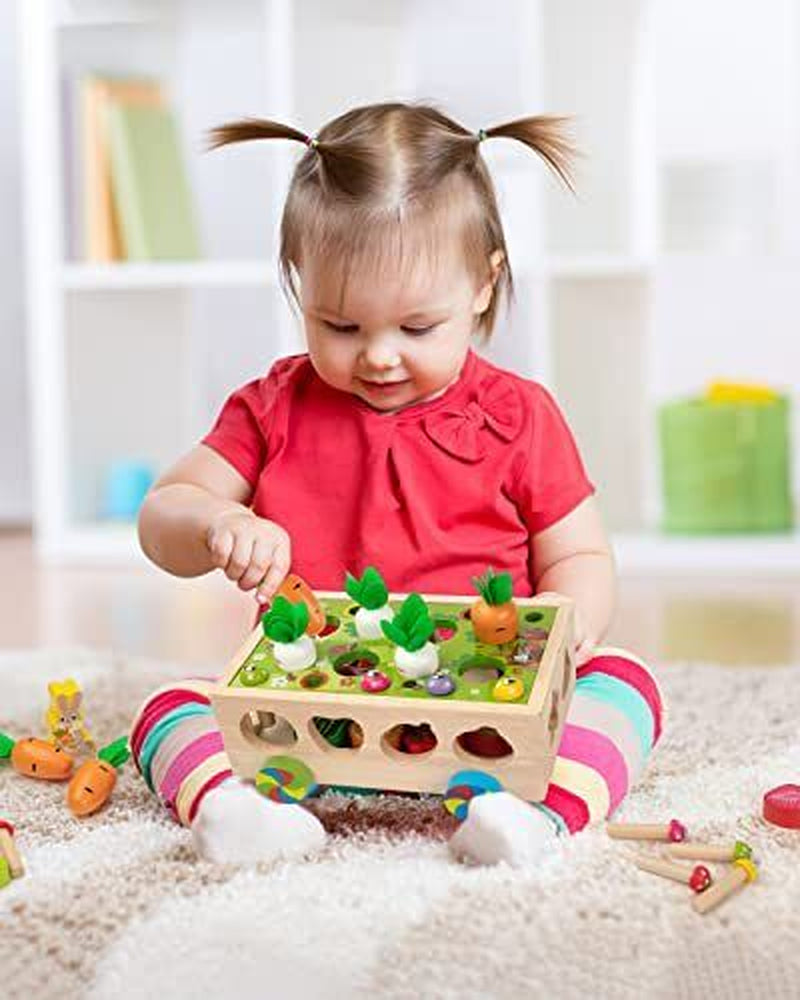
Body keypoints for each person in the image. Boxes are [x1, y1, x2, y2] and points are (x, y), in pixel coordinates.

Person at [135, 102, 664, 866]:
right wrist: (216, 521)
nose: (379, 356)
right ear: (298, 285)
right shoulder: (274, 406)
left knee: (626, 683)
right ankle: (240, 811)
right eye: (340, 327)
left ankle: (529, 821)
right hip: (315, 717)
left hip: (489, 715)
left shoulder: (519, 416)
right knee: (171, 705)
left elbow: (580, 553)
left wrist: (566, 627)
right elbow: (163, 515)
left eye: (417, 328)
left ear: (484, 286)